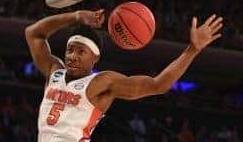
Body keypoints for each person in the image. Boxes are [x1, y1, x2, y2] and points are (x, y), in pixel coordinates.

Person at [25, 9, 223, 142]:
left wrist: (192, 50)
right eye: (69, 50)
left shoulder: (102, 82)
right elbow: (33, 33)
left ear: (95, 58)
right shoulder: (54, 71)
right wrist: (76, 16)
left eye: (80, 52)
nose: (72, 56)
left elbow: (157, 85)